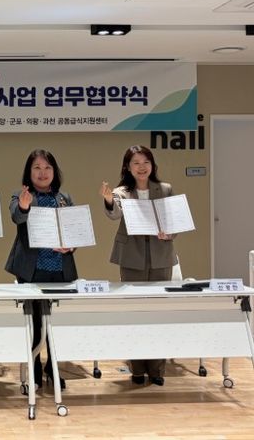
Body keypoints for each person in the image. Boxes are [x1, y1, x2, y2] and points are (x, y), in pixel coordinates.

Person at [100, 145, 176, 387]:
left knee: (158, 313)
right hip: (132, 257)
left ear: (152, 165)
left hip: (161, 256)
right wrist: (108, 200)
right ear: (128, 167)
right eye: (136, 163)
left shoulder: (165, 189)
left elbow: (174, 221)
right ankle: (137, 368)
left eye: (146, 162)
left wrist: (169, 233)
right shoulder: (121, 192)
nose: (141, 167)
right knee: (135, 311)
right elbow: (114, 214)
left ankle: (157, 369)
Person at [5, 149, 77, 390]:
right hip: (32, 270)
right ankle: (34, 370)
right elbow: (17, 217)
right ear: (29, 172)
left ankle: (53, 369)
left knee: (56, 324)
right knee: (34, 324)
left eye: (47, 168)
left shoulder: (64, 198)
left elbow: (73, 230)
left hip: (60, 268)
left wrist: (71, 245)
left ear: (54, 172)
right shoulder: (20, 196)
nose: (42, 172)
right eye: (37, 167)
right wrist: (24, 207)